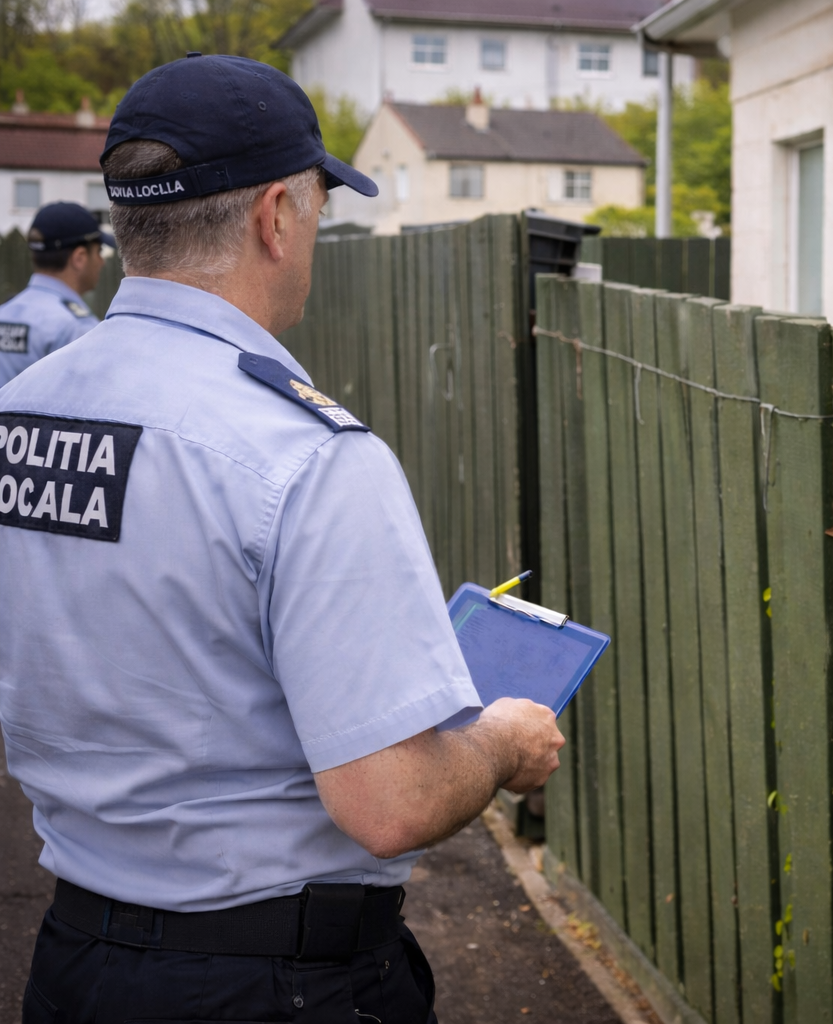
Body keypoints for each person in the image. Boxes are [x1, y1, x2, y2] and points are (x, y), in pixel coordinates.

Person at [0, 53, 564, 1024]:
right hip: (270, 985)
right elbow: (389, 804)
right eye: (317, 210)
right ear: (274, 216)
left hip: (76, 965)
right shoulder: (304, 454)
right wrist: (505, 742)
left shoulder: (23, 412)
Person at [0, 202, 109, 387]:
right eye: (99, 251)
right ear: (79, 258)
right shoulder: (76, 328)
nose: (102, 262)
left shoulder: (5, 313)